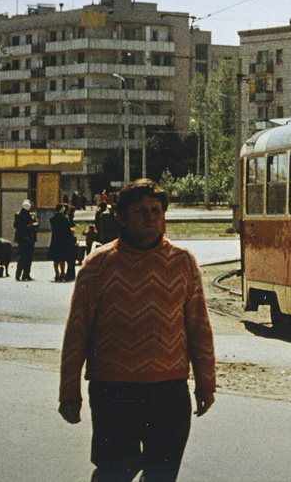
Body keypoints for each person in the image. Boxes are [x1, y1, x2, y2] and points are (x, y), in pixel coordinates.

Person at [59, 179, 217, 482]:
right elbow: (77, 332)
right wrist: (69, 392)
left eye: (156, 211)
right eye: (141, 211)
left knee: (162, 474)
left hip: (168, 390)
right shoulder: (98, 264)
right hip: (114, 390)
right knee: (115, 472)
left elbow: (198, 326)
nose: (150, 218)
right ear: (121, 216)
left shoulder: (182, 261)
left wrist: (206, 383)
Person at [13, 200, 38, 281]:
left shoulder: (17, 215)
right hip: (29, 238)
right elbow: (34, 224)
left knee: (21, 256)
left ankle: (18, 274)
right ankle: (26, 275)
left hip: (20, 238)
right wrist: (33, 223)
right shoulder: (29, 215)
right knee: (28, 257)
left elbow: (15, 225)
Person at [49, 204, 75, 282]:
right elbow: (67, 230)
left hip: (55, 239)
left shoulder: (52, 219)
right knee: (62, 258)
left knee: (55, 259)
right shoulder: (65, 218)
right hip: (63, 240)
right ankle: (62, 273)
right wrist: (71, 240)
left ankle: (57, 274)